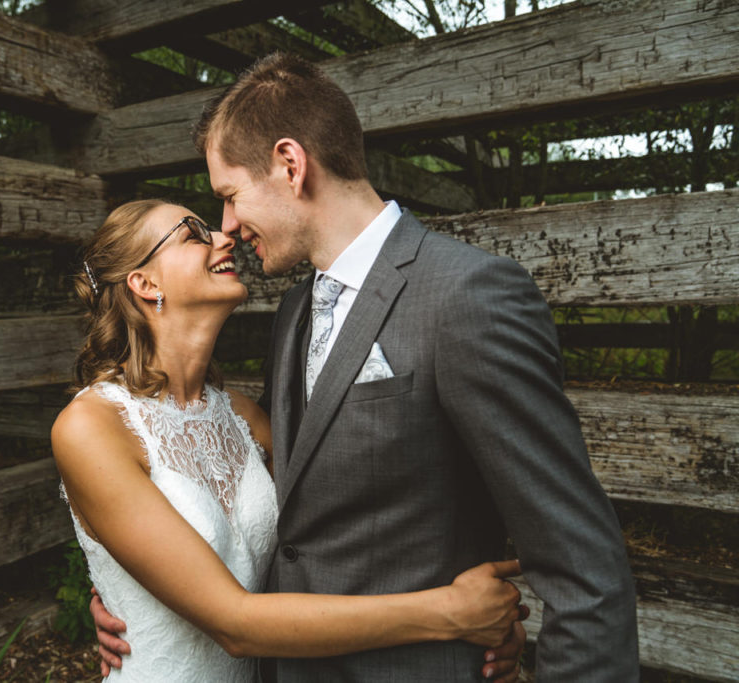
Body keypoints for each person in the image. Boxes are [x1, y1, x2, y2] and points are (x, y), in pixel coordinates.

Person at [92, 53, 640, 682]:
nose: (229, 227)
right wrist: (131, 583)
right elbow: (290, 495)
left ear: (291, 166)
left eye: (230, 196)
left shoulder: (466, 296)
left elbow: (583, 567)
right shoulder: (296, 309)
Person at [51, 198, 528, 682]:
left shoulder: (244, 416)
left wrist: (485, 619)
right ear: (145, 283)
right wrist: (450, 614)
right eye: (194, 234)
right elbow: (233, 623)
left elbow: (354, 518)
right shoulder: (91, 427)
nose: (224, 236)